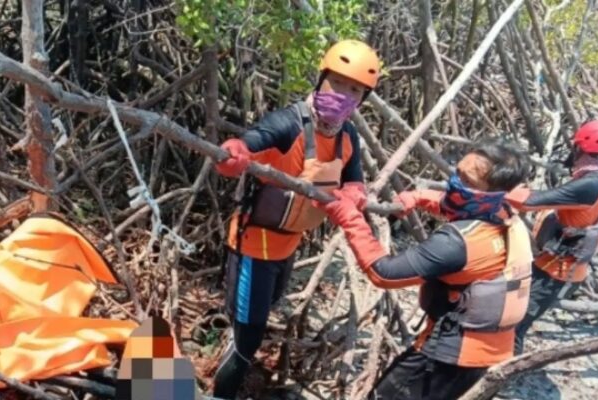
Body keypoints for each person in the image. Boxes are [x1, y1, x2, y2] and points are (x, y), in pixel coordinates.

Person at [212, 39, 382, 399]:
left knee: (264, 313)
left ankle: (229, 356)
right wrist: (235, 153)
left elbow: (354, 180)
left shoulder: (347, 136)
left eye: (354, 90)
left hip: (289, 243)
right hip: (253, 247)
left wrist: (353, 196)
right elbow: (250, 142)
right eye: (337, 83)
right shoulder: (287, 123)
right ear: (321, 79)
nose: (343, 94)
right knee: (249, 335)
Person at [318, 139, 532, 399]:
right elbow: (456, 204)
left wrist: (348, 216)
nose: (455, 183)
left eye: (468, 182)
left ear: (490, 195)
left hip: (450, 357)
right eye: (457, 173)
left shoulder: (456, 243)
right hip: (490, 352)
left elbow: (383, 273)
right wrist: (417, 197)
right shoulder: (505, 214)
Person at [505, 119, 598, 354]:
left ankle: (500, 379)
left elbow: (530, 202)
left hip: (557, 272)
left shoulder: (590, 184)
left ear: (582, 148)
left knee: (515, 326)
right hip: (552, 266)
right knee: (510, 316)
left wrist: (493, 190)